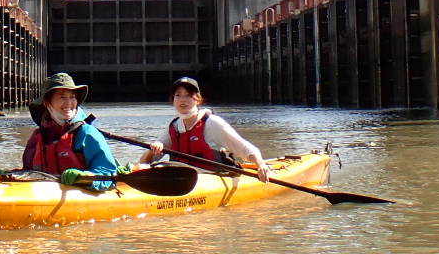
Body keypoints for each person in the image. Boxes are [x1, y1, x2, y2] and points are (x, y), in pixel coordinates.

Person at [138, 77, 271, 182]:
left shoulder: (212, 124)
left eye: (188, 95)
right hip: (180, 179)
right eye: (178, 95)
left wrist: (260, 164)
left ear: (197, 100)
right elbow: (144, 162)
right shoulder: (173, 127)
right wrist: (152, 150)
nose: (182, 100)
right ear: (173, 100)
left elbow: (244, 148)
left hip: (207, 178)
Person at [22, 72, 119, 189]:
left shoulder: (87, 133)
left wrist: (85, 177)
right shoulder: (38, 136)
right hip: (46, 196)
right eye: (62, 97)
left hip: (83, 197)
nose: (69, 103)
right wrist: (4, 174)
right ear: (47, 103)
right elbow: (26, 172)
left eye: (72, 97)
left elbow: (108, 173)